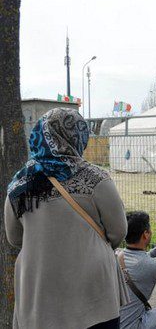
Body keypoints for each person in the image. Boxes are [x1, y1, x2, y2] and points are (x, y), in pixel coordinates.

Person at [4, 108, 127, 329]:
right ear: (79, 137)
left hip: (38, 293)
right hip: (93, 294)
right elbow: (118, 231)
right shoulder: (96, 178)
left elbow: (14, 238)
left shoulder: (19, 184)